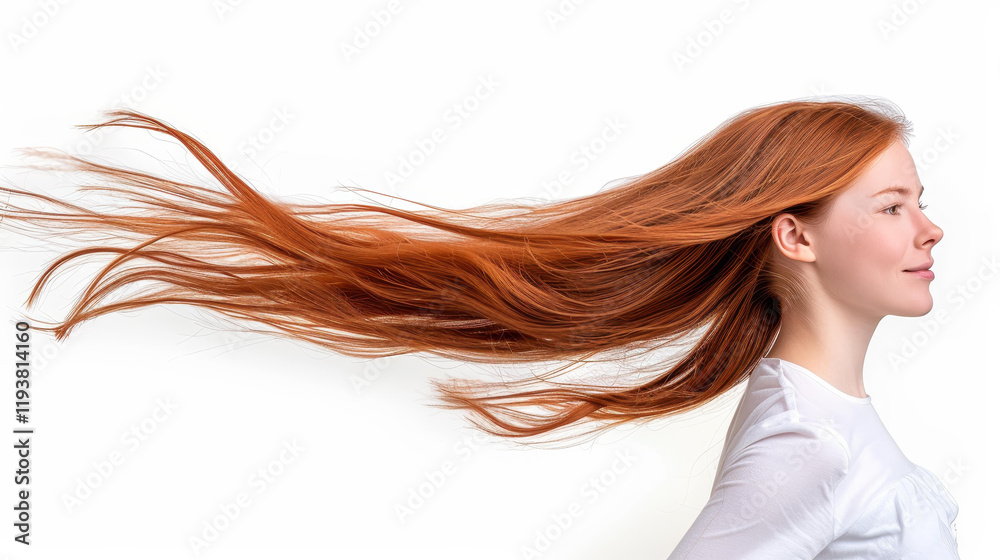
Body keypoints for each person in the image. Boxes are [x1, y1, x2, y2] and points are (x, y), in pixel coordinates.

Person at [0, 96, 960, 556]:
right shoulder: (809, 446)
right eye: (891, 207)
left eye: (918, 201)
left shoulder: (820, 421)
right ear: (794, 234)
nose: (929, 227)